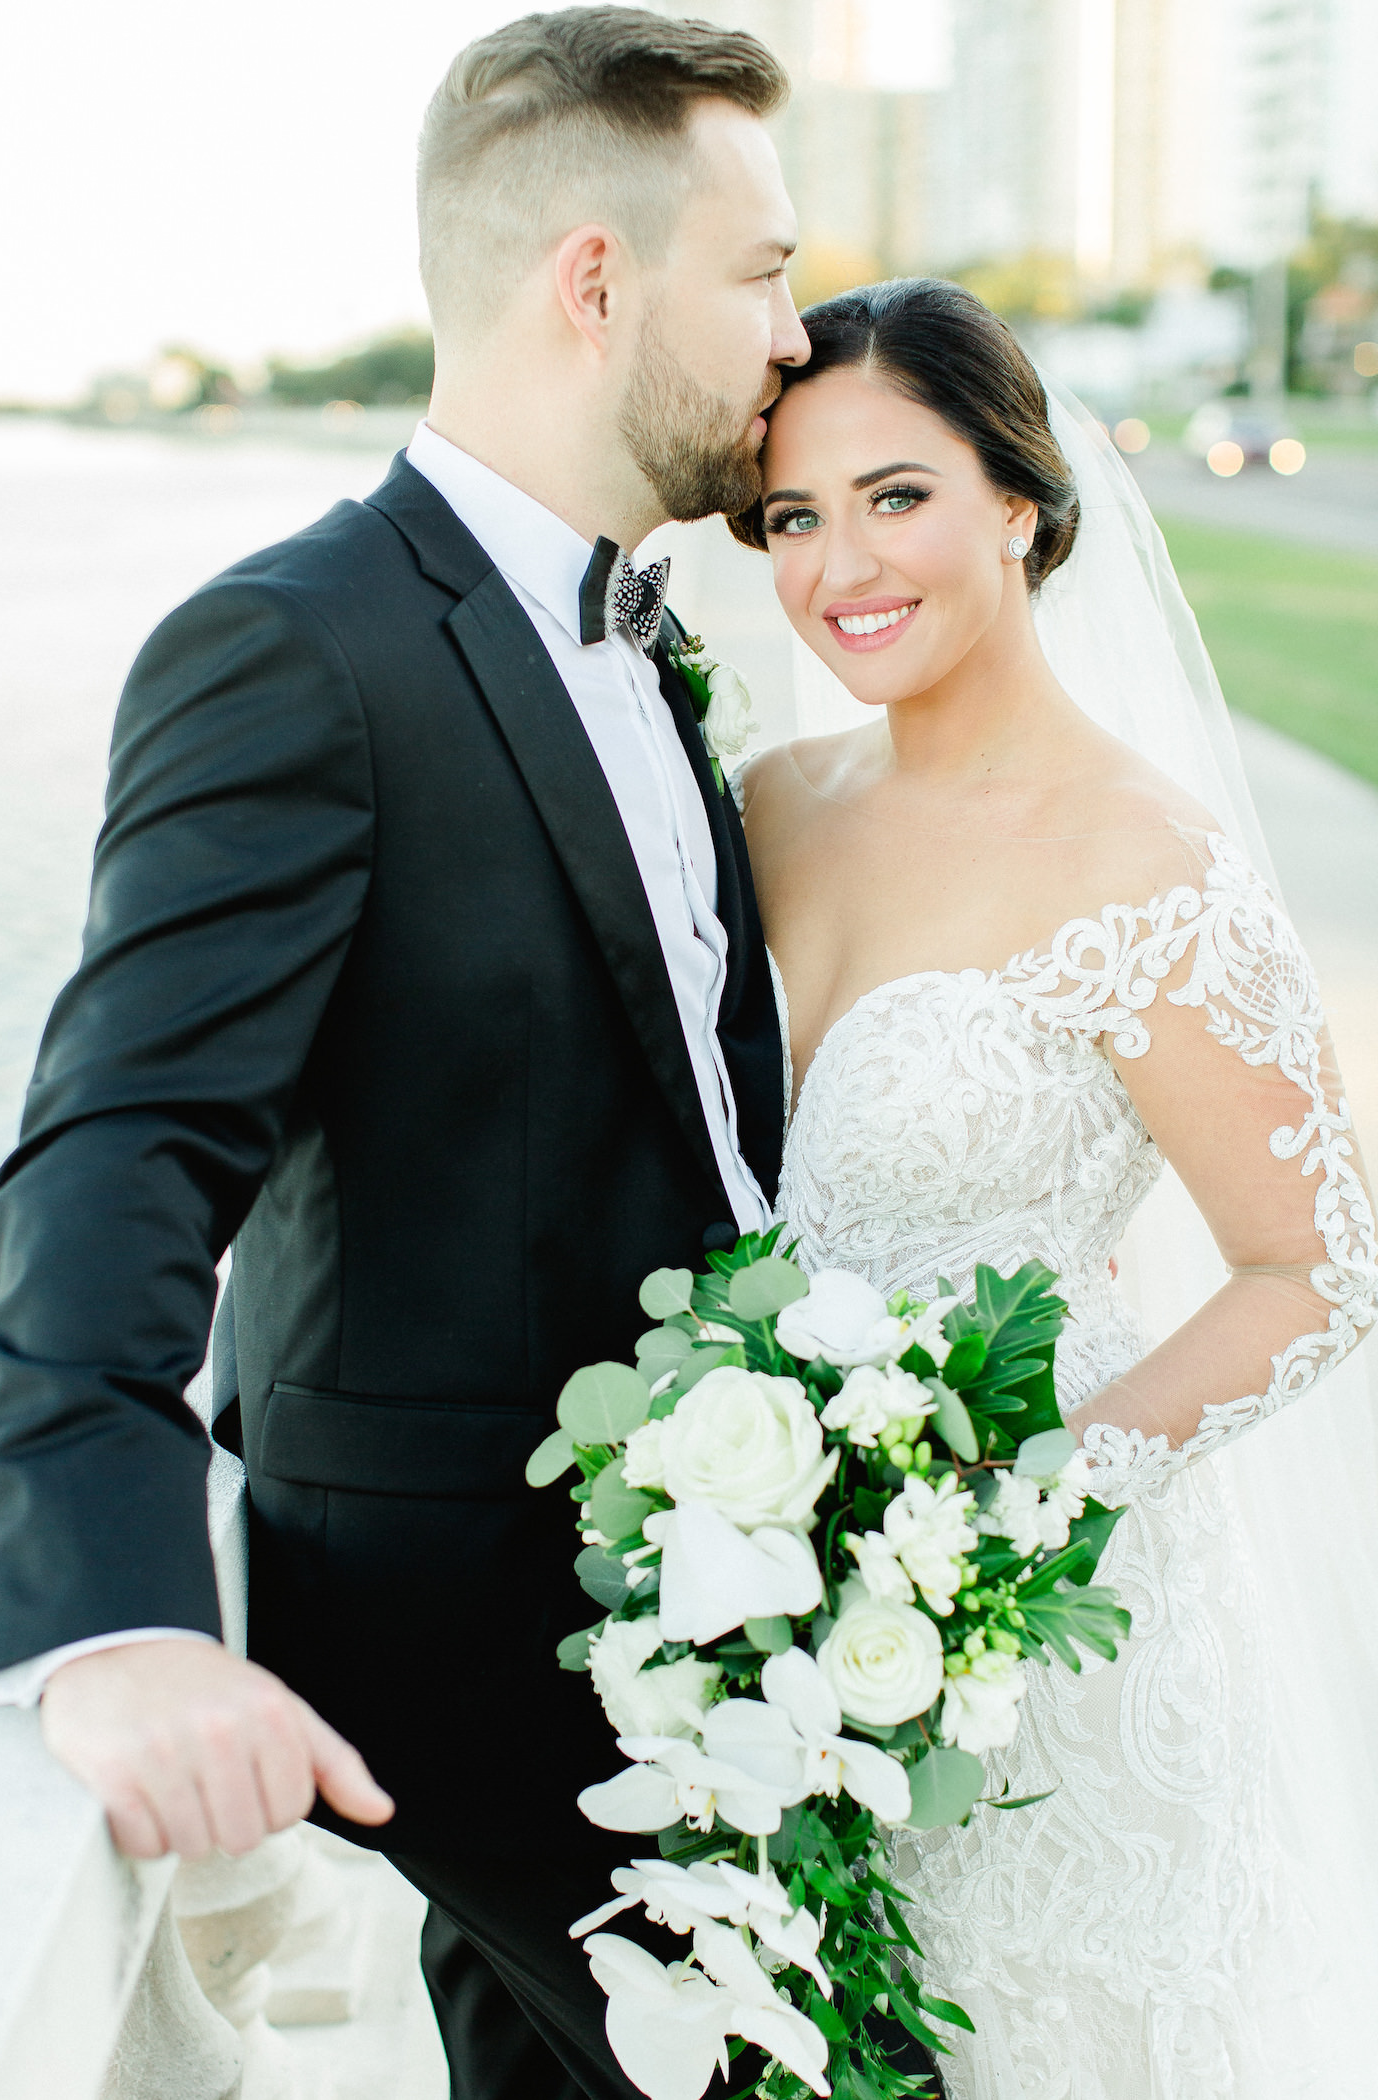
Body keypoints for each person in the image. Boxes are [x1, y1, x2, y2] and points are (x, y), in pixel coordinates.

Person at [0, 14, 809, 2098]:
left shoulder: (641, 634)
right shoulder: (299, 647)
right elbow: (126, 1146)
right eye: (765, 270)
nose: (795, 336)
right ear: (593, 280)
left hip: (696, 1604)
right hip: (467, 1650)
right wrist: (113, 1617)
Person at [732, 277, 1378, 2096]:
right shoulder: (766, 803)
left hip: (1046, 1649)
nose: (839, 562)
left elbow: (1312, 1270)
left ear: (1020, 501)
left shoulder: (1141, 857)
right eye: (793, 515)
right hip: (765, 1625)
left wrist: (998, 1532)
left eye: (897, 494)